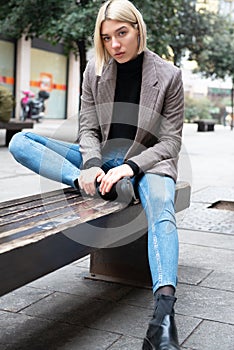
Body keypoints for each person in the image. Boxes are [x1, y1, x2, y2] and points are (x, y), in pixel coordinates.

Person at [9, 0, 184, 349]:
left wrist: (130, 168)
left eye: (122, 33)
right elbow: (87, 129)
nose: (115, 45)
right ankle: (89, 184)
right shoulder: (95, 71)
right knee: (21, 141)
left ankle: (163, 317)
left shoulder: (169, 76)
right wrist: (88, 169)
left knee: (162, 207)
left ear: (138, 30)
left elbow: (171, 141)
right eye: (106, 38)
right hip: (101, 158)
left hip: (146, 163)